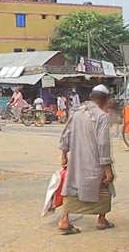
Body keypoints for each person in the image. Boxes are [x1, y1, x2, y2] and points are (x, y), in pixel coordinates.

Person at [57, 84, 115, 235]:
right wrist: (108, 169)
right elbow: (103, 144)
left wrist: (64, 154)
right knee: (104, 187)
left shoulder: (77, 112)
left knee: (72, 187)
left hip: (77, 161)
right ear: (104, 100)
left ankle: (64, 219)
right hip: (95, 161)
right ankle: (101, 219)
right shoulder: (101, 117)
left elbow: (66, 134)